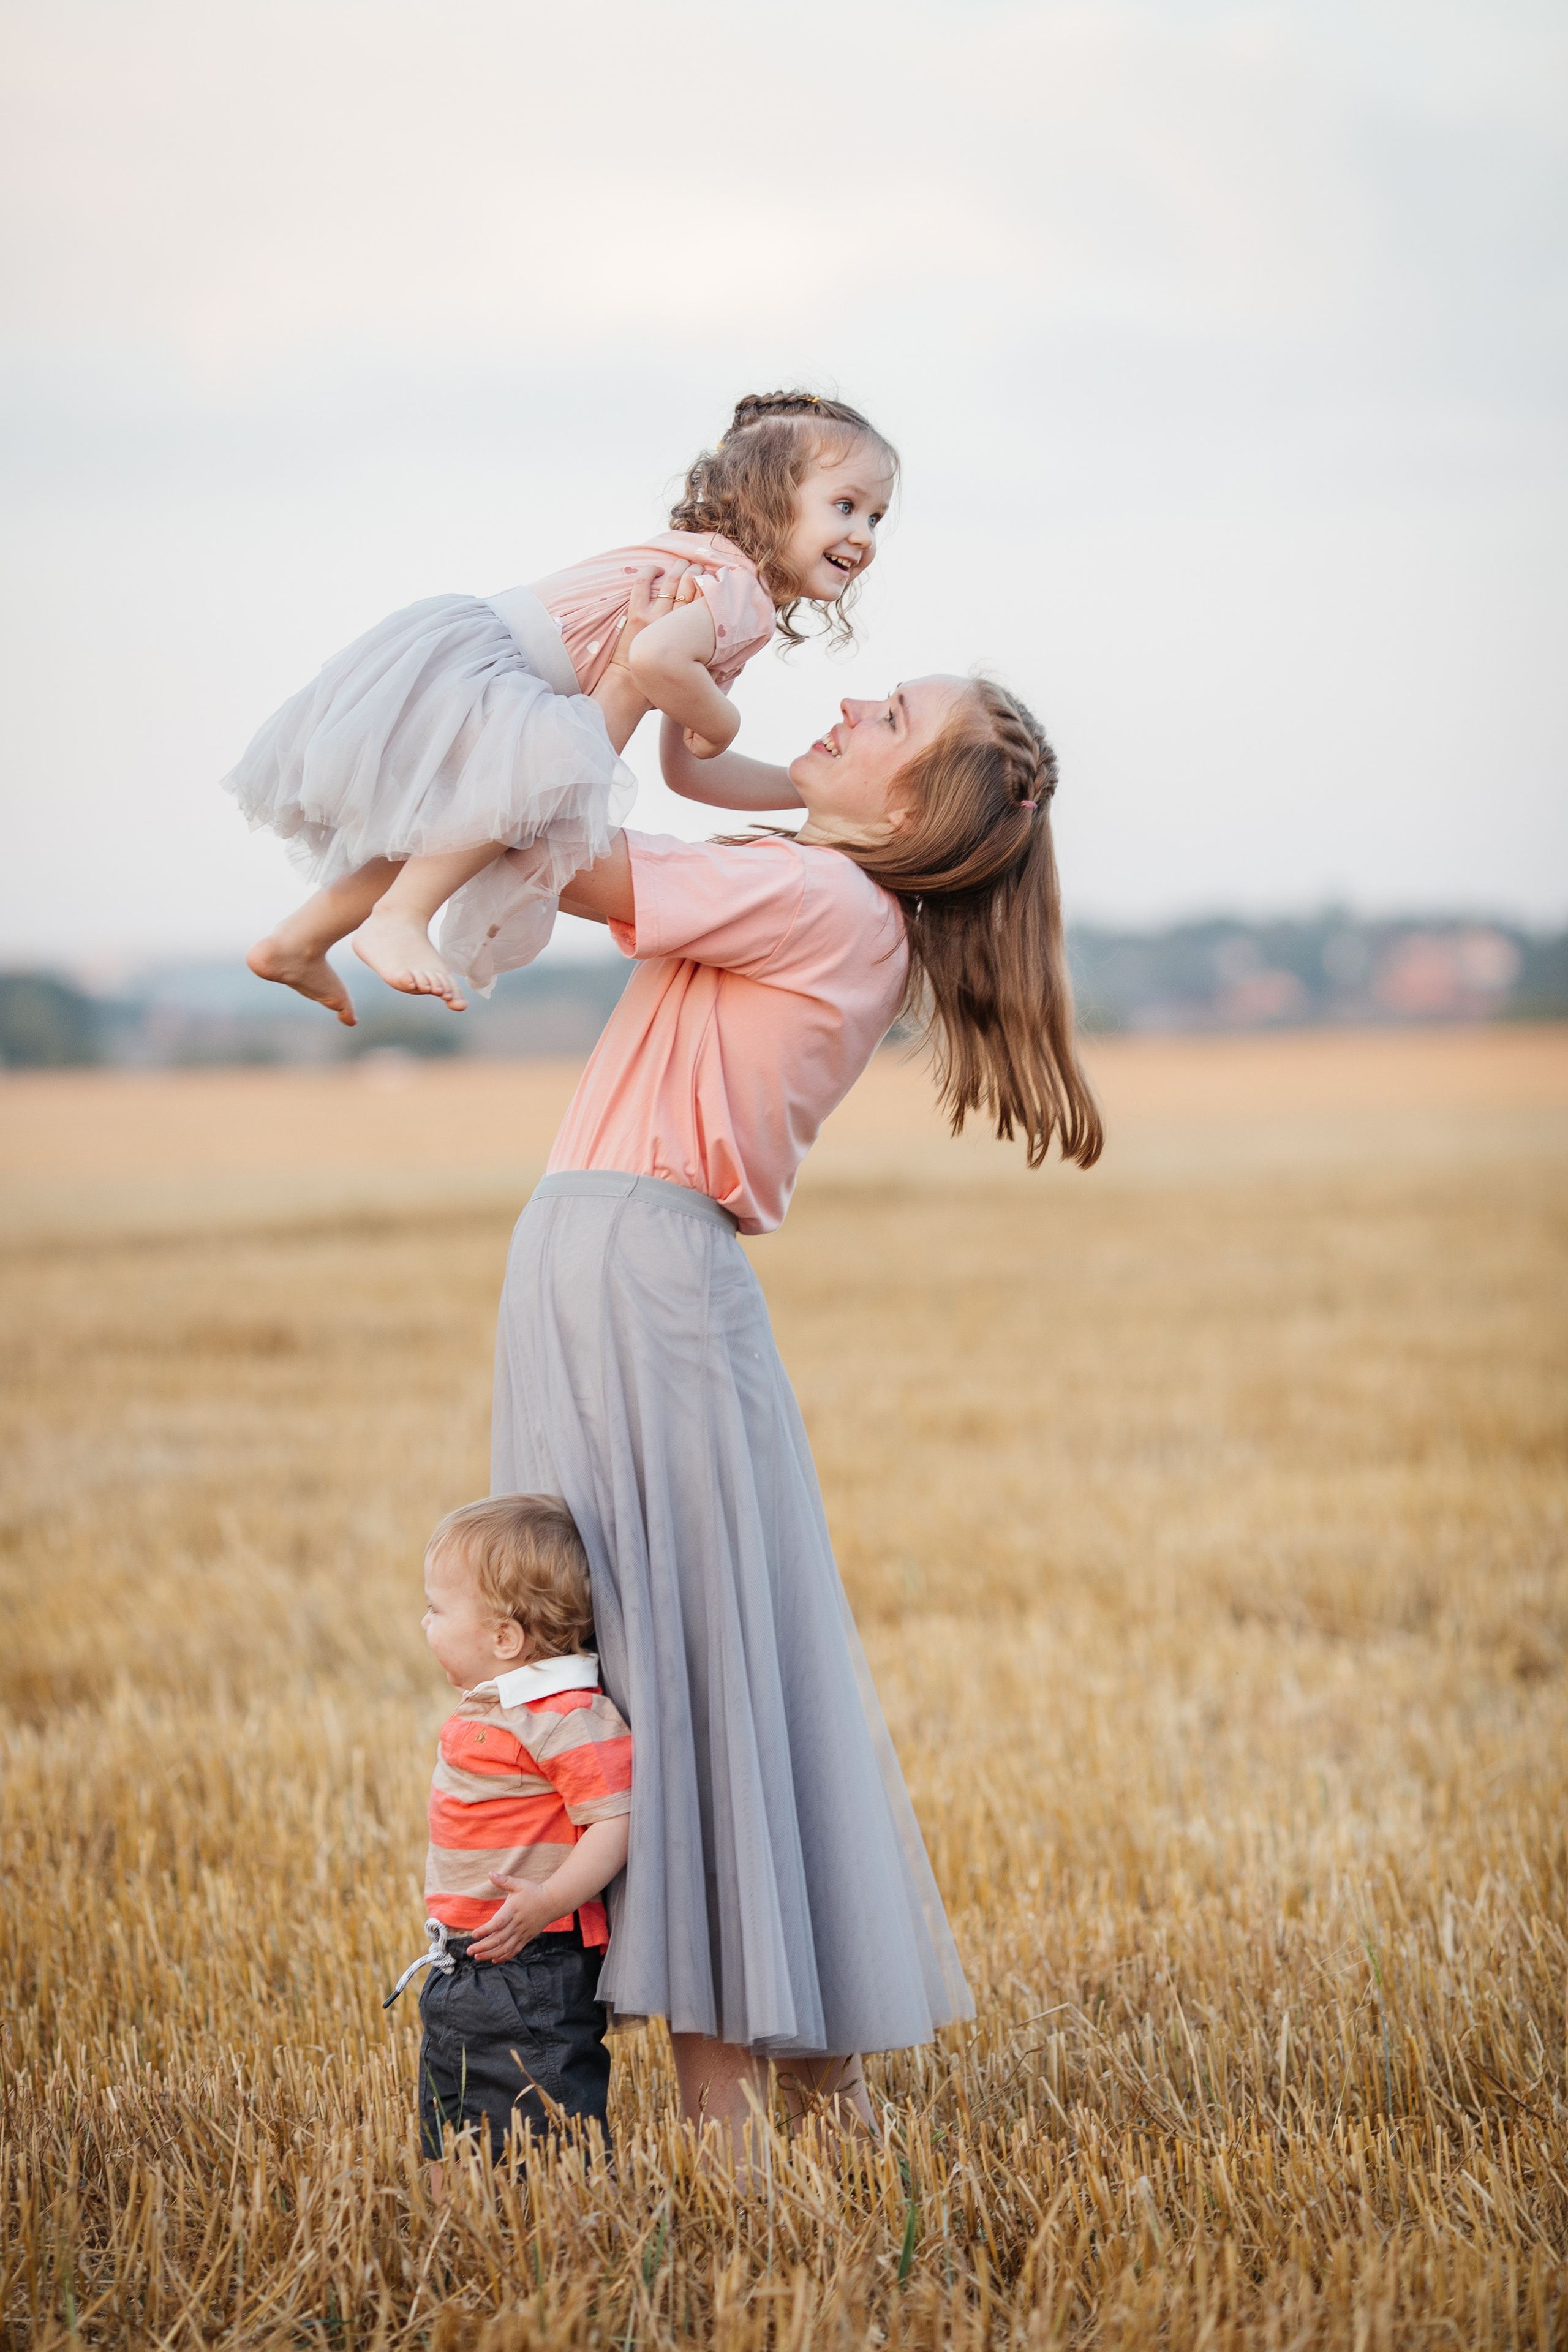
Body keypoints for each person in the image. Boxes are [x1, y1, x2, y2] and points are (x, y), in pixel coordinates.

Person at [490, 671, 1104, 2161]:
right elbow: (704, 781)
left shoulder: (817, 897)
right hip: (626, 1262)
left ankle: (728, 2127)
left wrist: (626, 682)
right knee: (707, 1663)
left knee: (678, 1677)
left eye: (888, 718)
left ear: (907, 814)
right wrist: (674, 707)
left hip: (632, 1263)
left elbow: (563, 856)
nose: (848, 700)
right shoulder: (832, 890)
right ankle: (816, 2086)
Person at [222, 391, 897, 1023]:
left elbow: (687, 772)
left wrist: (811, 793)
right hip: (501, 676)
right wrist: (722, 721)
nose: (863, 534)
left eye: (875, 516)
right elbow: (659, 662)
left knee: (450, 833)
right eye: (844, 505)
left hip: (466, 653)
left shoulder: (717, 573)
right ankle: (400, 918)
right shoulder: (739, 593)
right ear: (770, 499)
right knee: (526, 796)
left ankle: (297, 942)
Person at [383, 1493, 633, 2184]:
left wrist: (549, 1899)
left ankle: (560, 2239)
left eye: (437, 1609)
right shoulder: (505, 1706)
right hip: (465, 1959)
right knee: (453, 2116)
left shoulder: (567, 1716)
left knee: (541, 2120)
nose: (424, 1622)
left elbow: (614, 1822)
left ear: (503, 1639)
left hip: (533, 1964)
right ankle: (456, 2249)